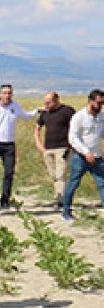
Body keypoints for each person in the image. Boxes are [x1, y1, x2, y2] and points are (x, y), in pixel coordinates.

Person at [0, 84, 37, 209]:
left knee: (9, 172)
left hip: (9, 144)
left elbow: (26, 116)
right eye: (5, 93)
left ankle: (5, 199)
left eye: (9, 93)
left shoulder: (15, 106)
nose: (7, 95)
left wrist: (38, 112)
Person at [62, 89, 104, 221]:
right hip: (80, 157)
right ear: (90, 101)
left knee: (102, 183)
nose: (100, 106)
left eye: (102, 103)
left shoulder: (101, 117)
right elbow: (72, 138)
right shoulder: (79, 117)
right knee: (73, 183)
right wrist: (85, 152)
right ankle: (66, 211)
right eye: (98, 103)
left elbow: (100, 134)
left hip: (97, 157)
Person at [34, 91, 76, 207]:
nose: (46, 105)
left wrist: (72, 145)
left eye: (49, 102)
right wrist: (38, 143)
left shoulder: (68, 111)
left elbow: (75, 127)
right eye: (45, 102)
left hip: (63, 148)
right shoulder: (45, 113)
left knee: (60, 175)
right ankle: (60, 196)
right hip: (48, 149)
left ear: (57, 100)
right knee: (53, 175)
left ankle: (61, 201)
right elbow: (37, 128)